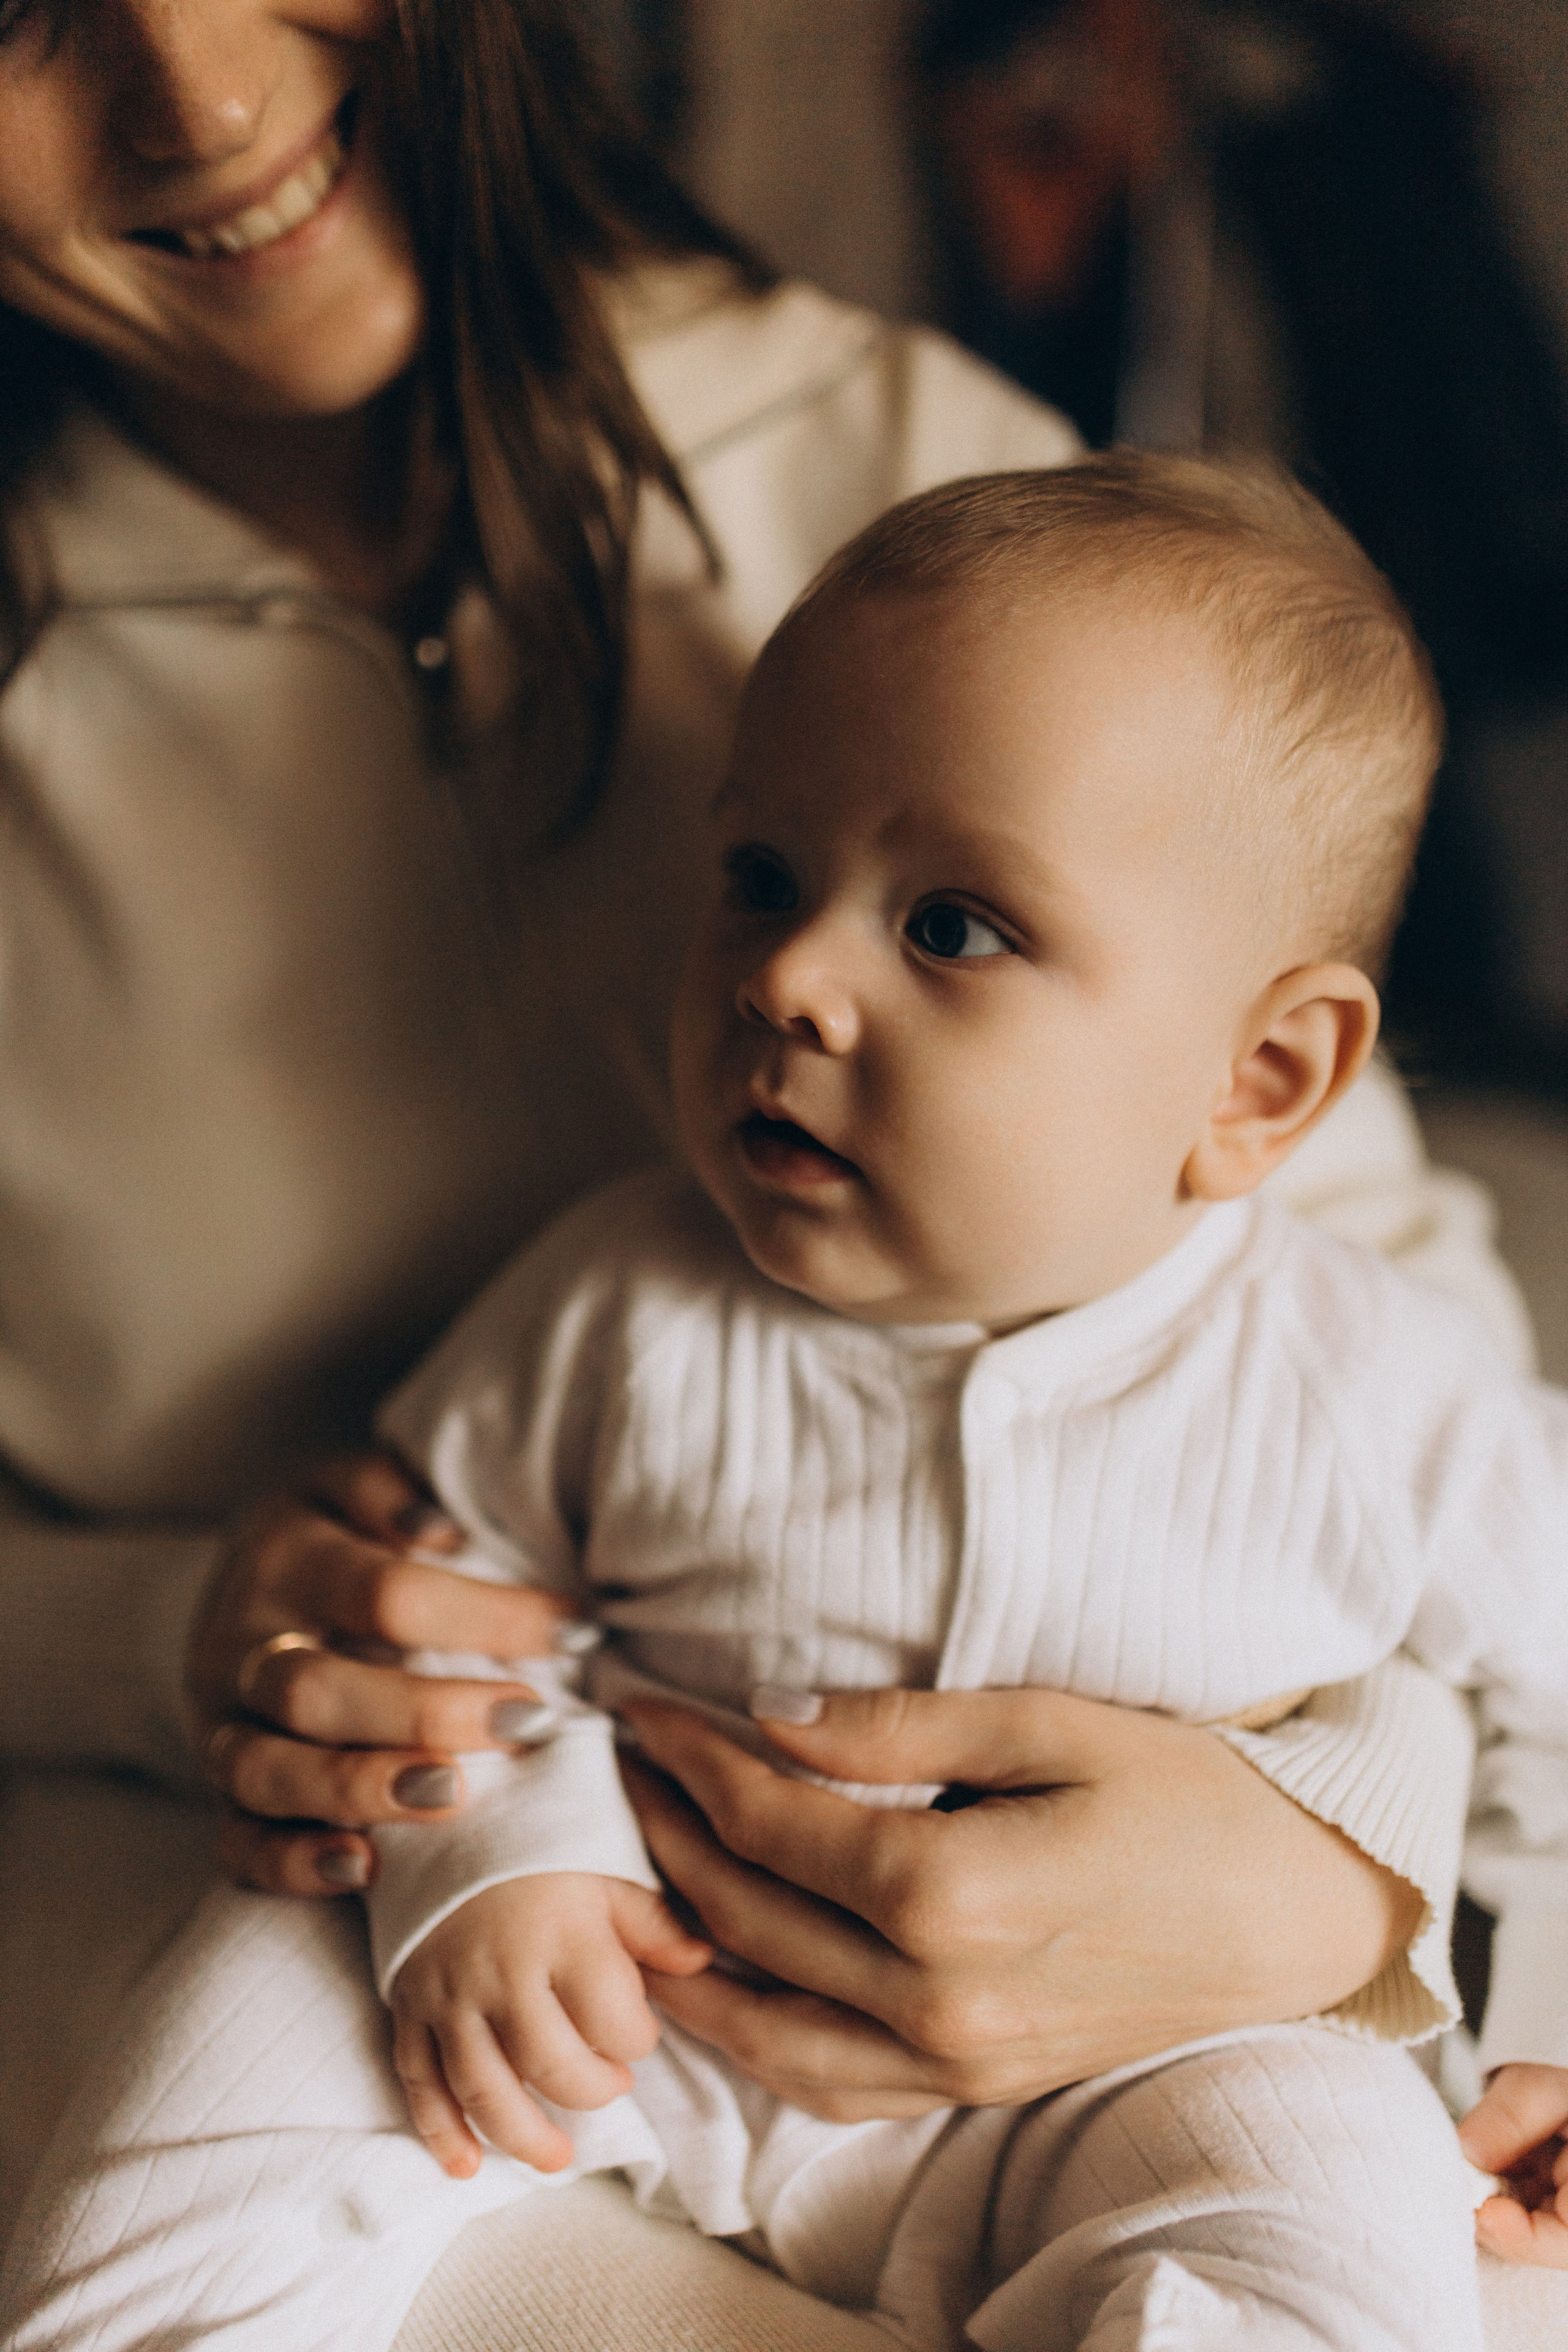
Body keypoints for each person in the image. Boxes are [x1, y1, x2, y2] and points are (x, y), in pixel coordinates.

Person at [0, 1, 1538, 2342]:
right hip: (545, 1970)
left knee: (1404, 2273)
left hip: (1163, 2042)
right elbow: (472, 1593)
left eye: (946, 925)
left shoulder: (912, 469)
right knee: (175, 2166)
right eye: (750, 876)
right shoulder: (613, 1299)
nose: (203, 97)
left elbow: (1497, 1570)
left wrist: (1368, 1887)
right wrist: (384, 1791)